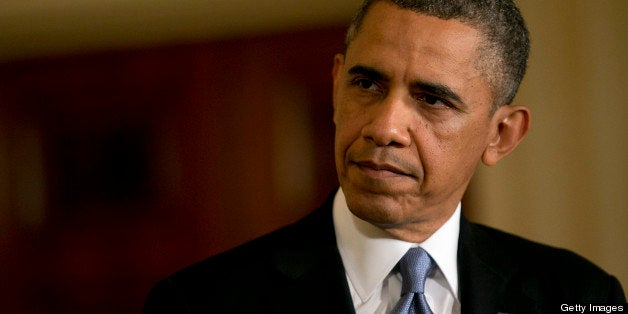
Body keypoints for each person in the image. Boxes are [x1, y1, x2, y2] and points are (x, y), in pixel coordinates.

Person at [143, 0, 626, 313]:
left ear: (500, 135)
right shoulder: (198, 304)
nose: (385, 127)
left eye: (432, 99)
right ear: (335, 87)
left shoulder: (579, 297)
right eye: (366, 83)